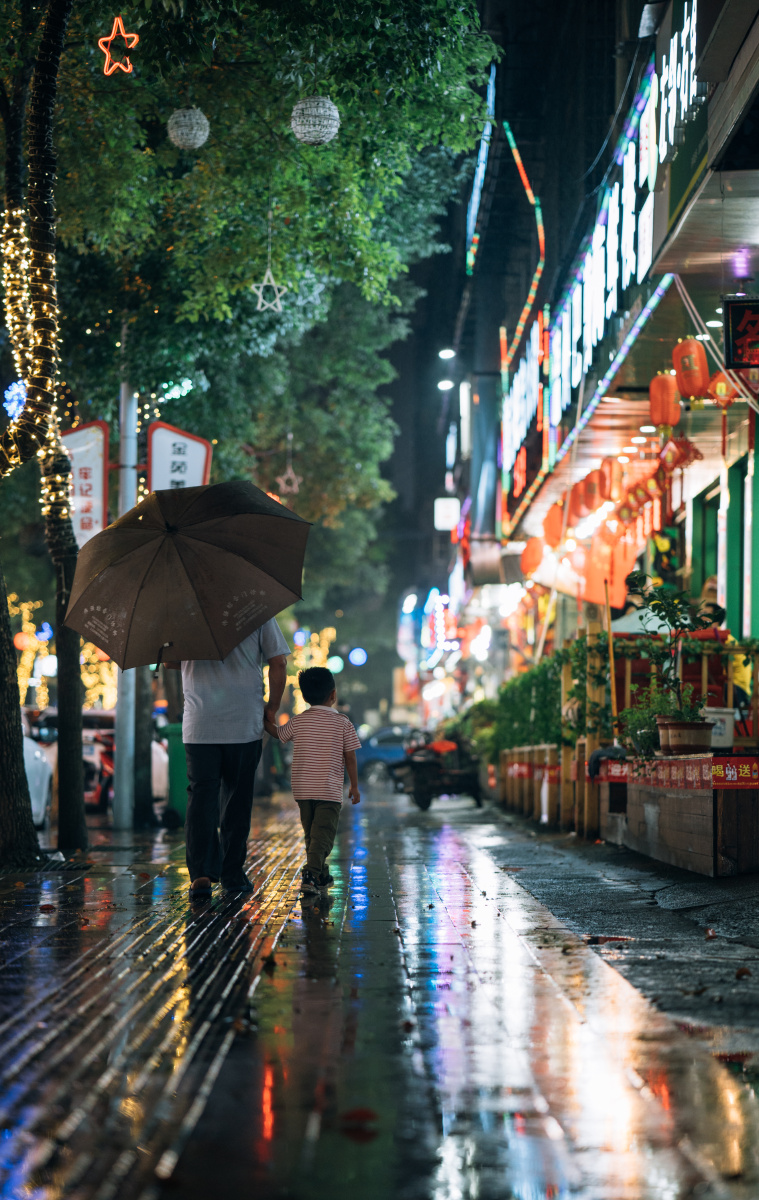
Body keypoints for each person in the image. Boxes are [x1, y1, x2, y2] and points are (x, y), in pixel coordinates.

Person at [166, 618, 289, 898]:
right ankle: (232, 874)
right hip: (244, 724)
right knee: (237, 799)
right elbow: (278, 662)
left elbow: (169, 663)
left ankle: (201, 874)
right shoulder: (256, 611)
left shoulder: (185, 615)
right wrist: (272, 708)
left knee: (201, 798)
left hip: (200, 725)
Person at [265, 666, 360, 896]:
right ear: (333, 695)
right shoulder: (343, 723)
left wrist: (266, 718)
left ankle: (321, 874)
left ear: (305, 696)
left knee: (312, 834)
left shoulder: (299, 721)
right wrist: (354, 786)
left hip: (303, 789)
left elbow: (278, 733)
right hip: (328, 789)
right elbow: (350, 756)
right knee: (323, 835)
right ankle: (310, 874)